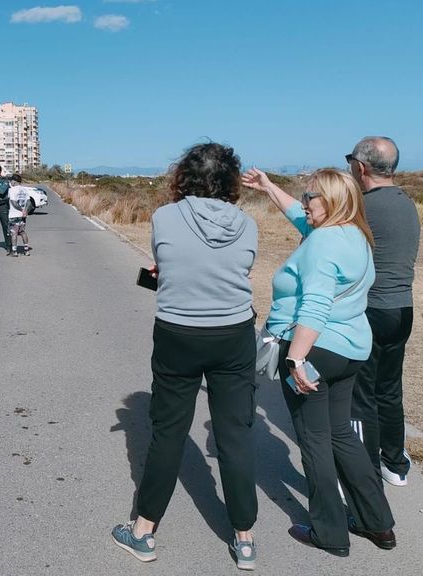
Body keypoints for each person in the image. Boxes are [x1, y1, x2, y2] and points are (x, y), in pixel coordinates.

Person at [112, 143, 260, 571]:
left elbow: (163, 268)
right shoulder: (247, 224)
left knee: (168, 431)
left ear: (184, 176)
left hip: (178, 333)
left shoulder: (164, 217)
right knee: (235, 434)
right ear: (230, 179)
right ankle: (245, 539)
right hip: (233, 334)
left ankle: (143, 532)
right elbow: (240, 272)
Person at [241, 167, 396, 557]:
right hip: (349, 350)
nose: (305, 201)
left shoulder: (322, 243)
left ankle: (329, 531)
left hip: (314, 351)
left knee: (314, 440)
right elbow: (299, 215)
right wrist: (268, 188)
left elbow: (316, 304)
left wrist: (295, 358)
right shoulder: (354, 235)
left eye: (312, 196)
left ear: (332, 202)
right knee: (341, 433)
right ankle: (377, 523)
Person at [347, 137, 421, 487]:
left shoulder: (365, 207)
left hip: (372, 310)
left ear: (360, 167)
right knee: (389, 389)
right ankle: (395, 462)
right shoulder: (406, 202)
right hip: (402, 308)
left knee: (361, 394)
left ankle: (365, 476)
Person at [7, 174, 31, 256]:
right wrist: (25, 210)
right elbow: (28, 201)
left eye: (11, 181)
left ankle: (14, 251)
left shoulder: (12, 190)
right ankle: (26, 250)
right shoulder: (25, 190)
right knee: (22, 232)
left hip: (14, 214)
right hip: (23, 215)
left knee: (14, 233)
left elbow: (13, 202)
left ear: (14, 181)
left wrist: (21, 210)